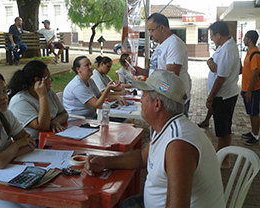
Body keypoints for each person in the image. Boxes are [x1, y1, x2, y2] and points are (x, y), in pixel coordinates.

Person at [84, 69, 225, 208]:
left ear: (157, 105)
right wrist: (105, 162)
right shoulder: (167, 127)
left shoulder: (179, 145)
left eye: (144, 94)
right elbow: (142, 157)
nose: (140, 99)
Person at [0, 72, 43, 208]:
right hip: (1, 182)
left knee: (36, 204)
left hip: (8, 176)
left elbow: (28, 142)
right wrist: (16, 146)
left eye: (5, 91)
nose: (4, 97)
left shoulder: (5, 115)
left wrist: (6, 156)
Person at [131, 13, 192, 116]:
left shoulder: (174, 44)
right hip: (161, 97)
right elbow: (159, 70)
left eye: (151, 30)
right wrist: (143, 72)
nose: (150, 34)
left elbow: (170, 77)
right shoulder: (161, 45)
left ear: (162, 28)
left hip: (172, 100)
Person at [8, 60, 67, 144]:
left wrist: (55, 122)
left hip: (53, 138)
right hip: (34, 143)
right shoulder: (20, 101)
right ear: (37, 80)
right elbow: (43, 126)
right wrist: (42, 96)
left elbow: (64, 114)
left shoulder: (49, 92)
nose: (52, 80)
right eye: (48, 78)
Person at [206, 21, 240, 167]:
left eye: (212, 36)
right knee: (222, 127)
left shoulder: (227, 50)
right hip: (225, 94)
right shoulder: (224, 47)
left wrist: (210, 97)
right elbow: (214, 59)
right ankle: (221, 154)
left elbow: (221, 78)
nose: (212, 39)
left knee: (223, 129)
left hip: (224, 95)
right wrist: (210, 60)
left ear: (219, 35)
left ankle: (223, 159)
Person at [241, 30, 260, 145]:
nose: (243, 40)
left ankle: (255, 135)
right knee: (250, 112)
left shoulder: (255, 54)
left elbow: (255, 73)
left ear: (249, 39)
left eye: (245, 38)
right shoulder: (250, 52)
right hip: (247, 89)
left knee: (254, 113)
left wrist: (249, 91)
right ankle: (253, 132)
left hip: (253, 90)